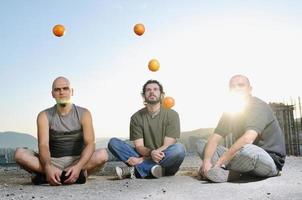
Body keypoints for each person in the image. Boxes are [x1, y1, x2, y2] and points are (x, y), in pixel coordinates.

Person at [14, 76, 108, 186]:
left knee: (102, 154)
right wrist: (48, 167)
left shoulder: (84, 113)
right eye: (57, 89)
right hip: (52, 161)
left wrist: (78, 166)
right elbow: (43, 145)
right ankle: (62, 174)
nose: (61, 92)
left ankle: (48, 175)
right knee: (19, 154)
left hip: (77, 160)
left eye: (65, 88)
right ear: (52, 94)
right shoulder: (44, 115)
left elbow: (90, 144)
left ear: (71, 91)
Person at [196, 74, 286, 183]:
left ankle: (228, 171)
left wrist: (220, 162)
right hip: (241, 155)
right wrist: (206, 161)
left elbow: (248, 139)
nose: (237, 89)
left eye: (241, 85)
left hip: (267, 158)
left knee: (247, 150)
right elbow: (214, 138)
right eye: (233, 86)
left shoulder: (258, 106)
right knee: (202, 144)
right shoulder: (230, 111)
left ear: (250, 89)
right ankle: (228, 172)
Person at [108, 80, 185, 179]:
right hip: (145, 154)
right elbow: (139, 146)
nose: (152, 92)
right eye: (148, 90)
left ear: (161, 94)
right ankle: (152, 170)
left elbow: (168, 145)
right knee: (113, 143)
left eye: (155, 89)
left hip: (165, 159)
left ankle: (136, 171)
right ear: (144, 95)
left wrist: (142, 160)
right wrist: (150, 154)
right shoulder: (136, 117)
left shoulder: (172, 115)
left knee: (179, 149)